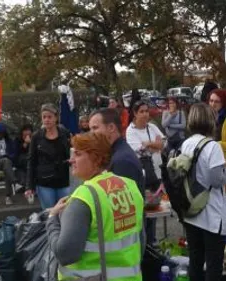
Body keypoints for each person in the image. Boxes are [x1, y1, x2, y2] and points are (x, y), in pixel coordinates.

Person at [47, 132, 143, 281]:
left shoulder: (84, 197)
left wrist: (52, 218)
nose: (71, 160)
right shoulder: (129, 186)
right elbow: (140, 240)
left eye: (77, 154)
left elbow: (65, 254)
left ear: (96, 159)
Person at [180, 103, 226, 281]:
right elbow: (217, 180)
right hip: (212, 214)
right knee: (214, 263)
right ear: (210, 120)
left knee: (195, 260)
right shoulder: (212, 147)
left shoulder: (187, 143)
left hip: (192, 210)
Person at [126, 101, 165, 245]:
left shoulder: (153, 127)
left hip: (156, 172)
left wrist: (148, 144)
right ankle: (143, 243)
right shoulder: (130, 130)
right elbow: (138, 150)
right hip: (143, 175)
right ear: (135, 113)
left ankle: (152, 241)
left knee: (154, 208)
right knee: (143, 210)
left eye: (146, 111)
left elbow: (162, 145)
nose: (145, 114)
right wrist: (153, 145)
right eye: (141, 111)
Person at [89, 108, 144, 196]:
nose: (91, 133)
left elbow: (123, 203)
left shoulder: (122, 160)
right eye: (90, 129)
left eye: (95, 128)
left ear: (111, 127)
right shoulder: (116, 154)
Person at [26, 103, 71, 209]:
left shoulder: (65, 134)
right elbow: (31, 161)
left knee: (66, 211)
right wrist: (29, 186)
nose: (46, 120)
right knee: (49, 214)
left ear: (56, 118)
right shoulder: (36, 137)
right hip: (44, 182)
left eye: (50, 117)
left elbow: (71, 155)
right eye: (44, 117)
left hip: (63, 181)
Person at [14, 124, 33, 189]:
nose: (27, 136)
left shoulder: (34, 140)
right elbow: (16, 152)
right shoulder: (17, 140)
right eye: (25, 135)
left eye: (29, 134)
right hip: (20, 160)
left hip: (31, 160)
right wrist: (25, 143)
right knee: (27, 160)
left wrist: (31, 143)